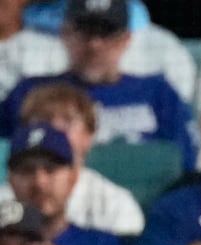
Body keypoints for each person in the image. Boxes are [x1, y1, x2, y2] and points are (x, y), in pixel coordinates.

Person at [0, 0, 199, 170]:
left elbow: (186, 165)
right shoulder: (31, 91)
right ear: (65, 34)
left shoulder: (158, 93)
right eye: (85, 31)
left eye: (106, 32)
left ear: (126, 40)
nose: (95, 44)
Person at [15, 82, 143, 237]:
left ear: (89, 135)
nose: (56, 129)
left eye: (68, 121)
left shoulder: (115, 204)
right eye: (44, 120)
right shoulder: (5, 199)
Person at [4, 124, 126, 245]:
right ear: (11, 180)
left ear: (73, 178)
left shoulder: (102, 244)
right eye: (27, 170)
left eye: (50, 169)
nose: (39, 182)